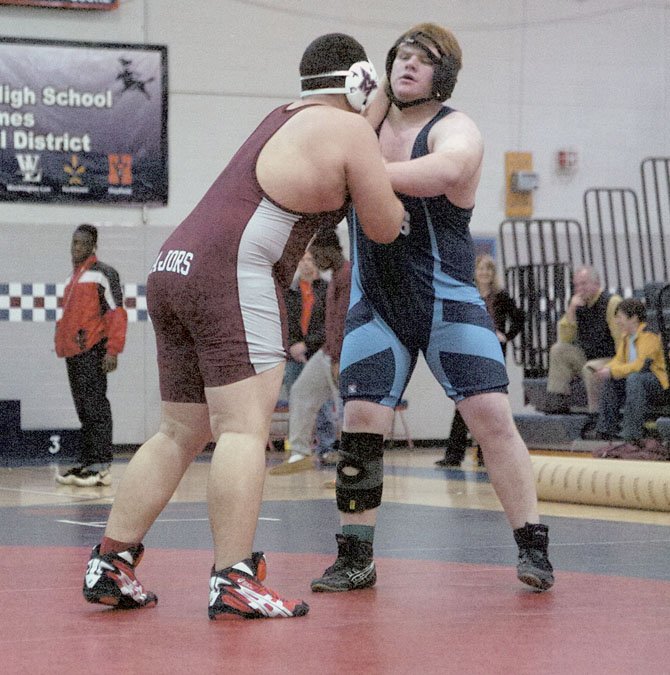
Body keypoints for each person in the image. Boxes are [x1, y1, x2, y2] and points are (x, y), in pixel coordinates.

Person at [81, 33, 405, 621]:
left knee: (179, 430)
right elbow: (383, 226)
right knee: (243, 429)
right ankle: (233, 577)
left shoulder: (284, 116)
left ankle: (110, 561)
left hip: (174, 264)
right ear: (360, 81)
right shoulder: (353, 132)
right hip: (234, 272)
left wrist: (371, 113)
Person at [311, 23, 554, 595]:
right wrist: (362, 124)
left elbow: (441, 174)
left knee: (492, 420)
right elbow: (327, 151)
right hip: (379, 307)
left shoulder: (456, 129)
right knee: (360, 424)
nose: (408, 65)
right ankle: (355, 557)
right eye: (402, 55)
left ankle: (534, 548)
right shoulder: (363, 128)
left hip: (448, 301)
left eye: (423, 60)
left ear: (442, 76)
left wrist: (359, 172)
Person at [269, 226, 350, 474]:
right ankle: (300, 452)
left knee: (348, 408)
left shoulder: (348, 276)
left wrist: (337, 358)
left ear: (328, 252)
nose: (313, 261)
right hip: (327, 353)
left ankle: (350, 464)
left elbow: (344, 322)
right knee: (301, 391)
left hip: (342, 355)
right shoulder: (336, 277)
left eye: (315, 255)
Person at [435, 253, 525, 468]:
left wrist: (507, 335)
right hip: (469, 351)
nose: (484, 273)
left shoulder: (501, 296)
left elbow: (520, 317)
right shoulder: (466, 294)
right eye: (481, 268)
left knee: (490, 403)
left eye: (488, 269)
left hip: (493, 352)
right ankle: (454, 455)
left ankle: (487, 454)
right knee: (464, 403)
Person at [54, 224, 127, 488]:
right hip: (74, 354)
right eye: (73, 243)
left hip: (94, 350)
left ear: (93, 246)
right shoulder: (70, 280)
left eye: (82, 243)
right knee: (83, 409)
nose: (76, 248)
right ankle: (87, 463)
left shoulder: (103, 275)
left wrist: (113, 350)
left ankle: (101, 466)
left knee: (96, 407)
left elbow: (116, 313)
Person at [279, 250, 337, 455]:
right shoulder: (289, 291)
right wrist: (293, 347)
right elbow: (283, 323)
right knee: (298, 399)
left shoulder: (327, 288)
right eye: (302, 260)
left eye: (310, 260)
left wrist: (308, 345)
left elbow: (329, 325)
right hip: (294, 355)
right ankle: (299, 451)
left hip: (320, 351)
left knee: (324, 407)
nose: (306, 264)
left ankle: (327, 448)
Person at [544, 265, 622, 414]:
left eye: (584, 284)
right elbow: (565, 338)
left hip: (610, 357)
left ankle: (597, 414)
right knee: (558, 349)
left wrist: (618, 367)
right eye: (576, 285)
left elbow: (621, 340)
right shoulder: (577, 304)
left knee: (590, 368)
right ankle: (558, 401)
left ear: (597, 283)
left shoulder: (611, 302)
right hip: (587, 355)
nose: (580, 288)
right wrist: (571, 311)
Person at [592, 298, 668, 444]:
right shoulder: (626, 337)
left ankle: (632, 434)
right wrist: (607, 368)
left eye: (620, 317)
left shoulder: (649, 335)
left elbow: (641, 366)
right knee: (612, 380)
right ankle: (605, 429)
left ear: (633, 318)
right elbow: (619, 360)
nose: (617, 321)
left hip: (658, 384)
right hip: (638, 382)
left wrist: (613, 371)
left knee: (634, 378)